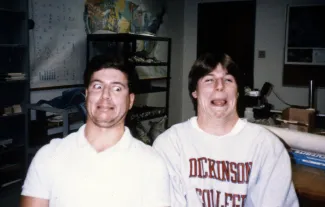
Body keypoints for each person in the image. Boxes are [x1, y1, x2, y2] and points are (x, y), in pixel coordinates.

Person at [21, 55, 170, 207]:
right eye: (98, 86)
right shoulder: (48, 156)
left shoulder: (151, 164)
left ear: (130, 101)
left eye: (117, 88)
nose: (105, 95)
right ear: (86, 95)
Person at [153, 53, 299, 207]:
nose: (220, 86)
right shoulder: (170, 145)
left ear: (237, 92)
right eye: (209, 80)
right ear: (194, 92)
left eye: (228, 80)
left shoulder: (267, 146)